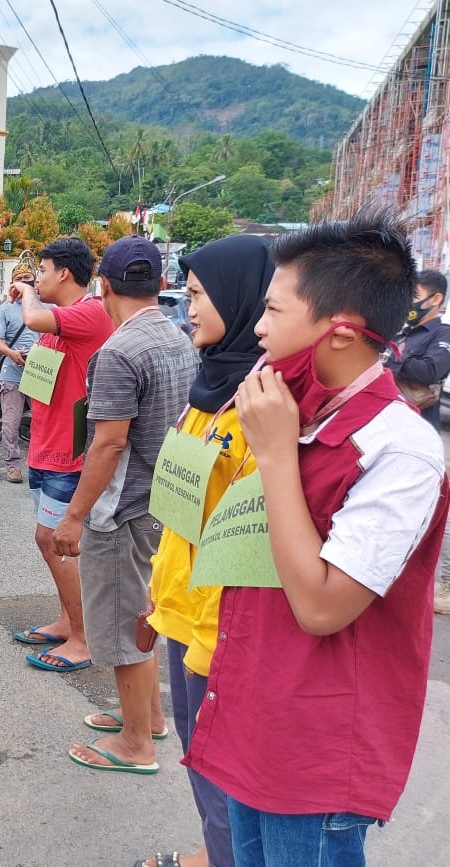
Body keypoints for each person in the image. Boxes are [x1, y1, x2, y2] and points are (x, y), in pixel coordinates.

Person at [186, 211, 449, 867]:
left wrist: (275, 457)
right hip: (255, 717)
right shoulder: (294, 409)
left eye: (274, 311)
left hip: (315, 755)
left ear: (339, 334)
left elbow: (324, 606)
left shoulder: (401, 448)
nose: (259, 327)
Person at [129, 235, 273, 867]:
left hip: (222, 627)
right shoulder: (209, 388)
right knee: (198, 755)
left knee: (222, 771)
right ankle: (217, 853)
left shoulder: (260, 408)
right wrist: (157, 599)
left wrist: (213, 633)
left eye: (195, 296)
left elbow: (252, 538)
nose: (186, 309)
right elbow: (187, 512)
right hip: (183, 612)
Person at [54, 236, 198, 773]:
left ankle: (135, 744)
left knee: (120, 621)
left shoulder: (117, 352)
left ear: (103, 286)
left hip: (124, 506)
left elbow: (109, 443)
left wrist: (73, 517)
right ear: (160, 284)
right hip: (163, 501)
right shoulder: (176, 335)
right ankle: (149, 717)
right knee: (143, 610)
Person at [10, 238, 114, 673]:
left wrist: (25, 289)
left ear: (64, 274)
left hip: (69, 457)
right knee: (53, 544)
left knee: (58, 543)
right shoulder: (63, 326)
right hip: (46, 448)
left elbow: (33, 316)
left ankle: (85, 638)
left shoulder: (89, 313)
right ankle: (68, 621)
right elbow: (39, 384)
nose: (41, 277)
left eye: (44, 270)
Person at [0, 259, 41, 484]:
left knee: (43, 421)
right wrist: (11, 354)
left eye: (26, 279)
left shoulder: (47, 307)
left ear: (34, 281)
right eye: (17, 280)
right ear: (11, 284)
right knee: (11, 421)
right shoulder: (6, 309)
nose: (22, 283)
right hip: (12, 372)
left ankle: (41, 463)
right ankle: (12, 465)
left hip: (41, 374)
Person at [385, 268, 450, 427]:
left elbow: (431, 371)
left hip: (418, 421)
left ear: (435, 299)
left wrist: (392, 357)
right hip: (389, 415)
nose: (408, 303)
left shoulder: (443, 334)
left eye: (415, 296)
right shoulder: (402, 334)